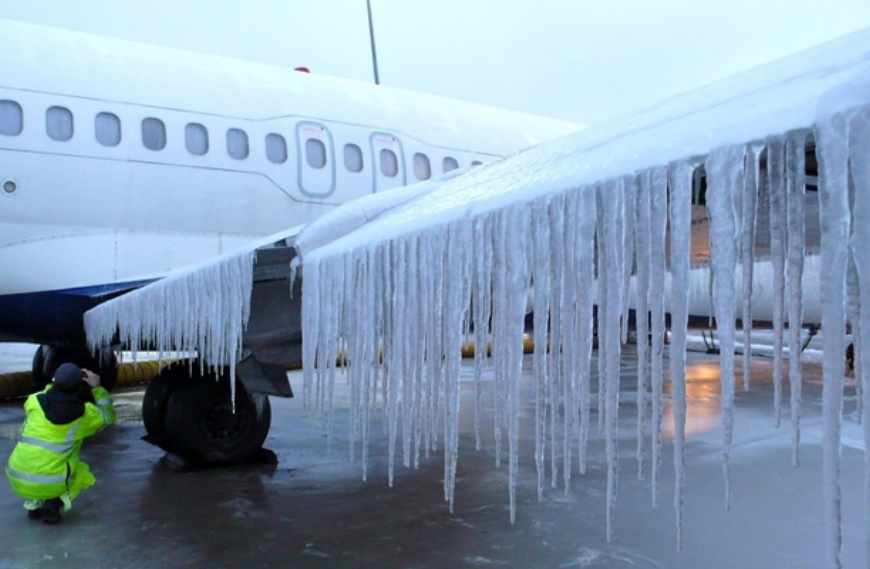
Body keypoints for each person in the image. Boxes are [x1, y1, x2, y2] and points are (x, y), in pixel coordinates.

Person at [6, 362, 116, 524]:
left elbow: (47, 393)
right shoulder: (84, 414)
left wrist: (60, 380)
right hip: (51, 482)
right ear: (79, 385)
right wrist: (97, 388)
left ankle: (33, 502)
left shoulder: (34, 401)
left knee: (41, 460)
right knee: (82, 472)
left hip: (16, 475)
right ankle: (53, 503)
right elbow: (108, 418)